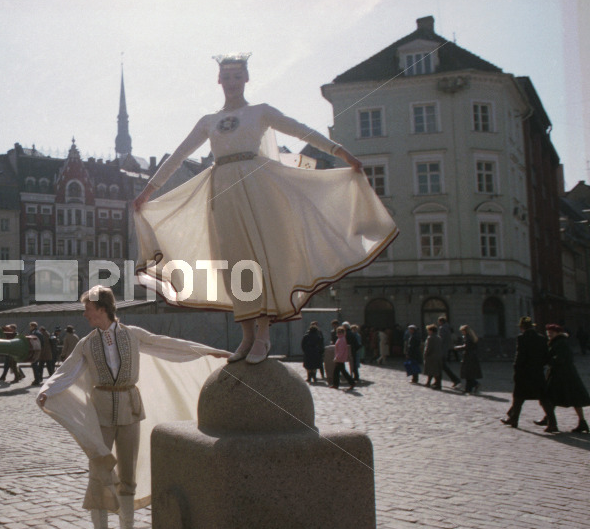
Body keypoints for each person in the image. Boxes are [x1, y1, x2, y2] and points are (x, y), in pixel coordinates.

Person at [132, 54, 396, 365]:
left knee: (260, 258)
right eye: (226, 76)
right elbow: (178, 155)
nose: (231, 82)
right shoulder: (208, 121)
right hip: (222, 192)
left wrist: (341, 152)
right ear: (219, 81)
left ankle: (263, 333)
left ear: (246, 79)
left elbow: (302, 132)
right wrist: (148, 191)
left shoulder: (260, 112)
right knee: (235, 264)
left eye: (237, 76)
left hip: (258, 188)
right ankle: (246, 334)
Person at [36, 286, 230, 529]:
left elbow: (168, 345)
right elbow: (67, 372)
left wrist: (208, 352)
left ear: (102, 309)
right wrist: (47, 390)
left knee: (129, 471)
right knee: (100, 470)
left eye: (88, 309)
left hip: (130, 409)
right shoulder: (86, 343)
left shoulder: (133, 335)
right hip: (101, 413)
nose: (85, 315)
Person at [501, 317, 549, 429]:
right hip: (537, 372)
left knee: (518, 397)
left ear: (522, 327)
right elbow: (546, 356)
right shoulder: (542, 338)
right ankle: (552, 423)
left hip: (524, 372)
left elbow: (520, 356)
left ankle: (514, 420)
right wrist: (540, 365)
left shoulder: (522, 338)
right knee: (543, 397)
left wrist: (516, 369)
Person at [542, 324, 590, 434]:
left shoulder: (561, 343)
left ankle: (550, 420)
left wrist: (549, 361)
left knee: (551, 396)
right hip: (563, 373)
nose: (549, 335)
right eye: (548, 333)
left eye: (551, 332)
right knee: (559, 397)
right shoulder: (557, 342)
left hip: (563, 375)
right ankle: (549, 419)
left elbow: (561, 359)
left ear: (558, 333)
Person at [454, 325, 483, 395]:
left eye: (462, 331)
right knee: (469, 373)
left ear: (465, 331)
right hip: (472, 357)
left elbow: (466, 347)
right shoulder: (472, 337)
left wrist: (457, 347)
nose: (462, 333)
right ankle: (472, 386)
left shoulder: (467, 337)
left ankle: (469, 388)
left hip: (468, 357)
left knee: (468, 373)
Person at [437, 316, 461, 386]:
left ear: (441, 322)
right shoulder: (448, 327)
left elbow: (441, 339)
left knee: (442, 366)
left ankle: (455, 380)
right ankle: (437, 381)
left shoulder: (442, 328)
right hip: (446, 349)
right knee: (441, 366)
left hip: (441, 350)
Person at [331, 326, 356, 391]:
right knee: (337, 371)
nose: (338, 333)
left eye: (339, 332)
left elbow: (341, 350)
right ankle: (336, 384)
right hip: (340, 358)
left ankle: (352, 382)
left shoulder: (341, 339)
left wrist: (337, 357)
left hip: (340, 358)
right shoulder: (340, 338)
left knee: (342, 372)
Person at [423, 324, 443, 390]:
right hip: (438, 356)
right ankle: (429, 382)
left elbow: (428, 348)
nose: (428, 332)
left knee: (433, 371)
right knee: (434, 371)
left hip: (431, 357)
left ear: (431, 331)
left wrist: (425, 355)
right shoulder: (439, 337)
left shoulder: (430, 338)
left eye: (428, 330)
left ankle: (438, 385)